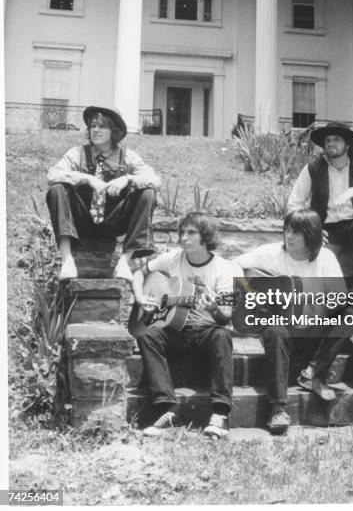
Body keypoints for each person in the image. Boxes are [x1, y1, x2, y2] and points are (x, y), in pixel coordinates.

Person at [234, 209, 353, 435]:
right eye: (287, 230)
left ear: (311, 236)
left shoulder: (326, 259)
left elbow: (338, 302)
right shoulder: (271, 254)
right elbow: (231, 265)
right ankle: (278, 409)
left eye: (296, 232)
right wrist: (252, 291)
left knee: (350, 313)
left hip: (312, 333)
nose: (289, 236)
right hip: (283, 334)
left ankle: (313, 373)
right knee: (275, 328)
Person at [129, 211, 237, 440]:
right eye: (182, 232)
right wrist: (140, 296)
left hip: (206, 332)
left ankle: (219, 415)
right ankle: (168, 409)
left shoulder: (224, 269)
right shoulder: (174, 258)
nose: (183, 237)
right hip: (176, 332)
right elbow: (139, 272)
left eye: (191, 233)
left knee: (222, 336)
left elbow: (226, 316)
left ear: (205, 236)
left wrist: (214, 308)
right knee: (147, 334)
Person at [46, 106, 161, 281]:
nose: (95, 130)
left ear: (114, 131)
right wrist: (86, 178)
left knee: (148, 193)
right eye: (93, 126)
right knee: (57, 189)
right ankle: (67, 261)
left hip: (114, 220)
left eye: (102, 126)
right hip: (82, 219)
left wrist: (128, 179)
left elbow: (154, 180)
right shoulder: (78, 153)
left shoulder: (128, 156)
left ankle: (124, 263)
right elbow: (52, 175)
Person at [287, 121, 353, 277]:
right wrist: (310, 229)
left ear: (347, 145)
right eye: (328, 140)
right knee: (316, 267)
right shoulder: (313, 169)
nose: (331, 143)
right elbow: (294, 203)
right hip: (327, 232)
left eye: (336, 139)